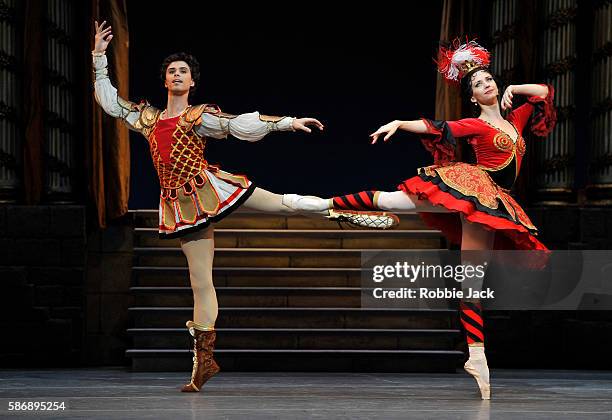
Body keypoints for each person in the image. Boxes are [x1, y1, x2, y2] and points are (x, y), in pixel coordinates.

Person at [91, 20, 398, 393]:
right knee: (200, 282)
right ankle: (204, 362)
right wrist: (99, 56)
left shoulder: (198, 115)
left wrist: (286, 123)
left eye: (182, 71)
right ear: (164, 80)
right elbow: (111, 103)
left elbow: (239, 125)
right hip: (183, 205)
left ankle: (340, 211)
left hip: (213, 187)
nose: (176, 74)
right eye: (171, 70)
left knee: (285, 204)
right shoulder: (149, 119)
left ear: (192, 82)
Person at [292, 39, 556, 400]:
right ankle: (321, 204)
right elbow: (438, 127)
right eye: (479, 85)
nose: (488, 85)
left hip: (494, 200)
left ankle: (476, 357)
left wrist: (515, 87)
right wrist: (400, 123)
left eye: (490, 80)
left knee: (471, 283)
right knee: (393, 200)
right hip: (475, 188)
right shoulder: (474, 124)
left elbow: (542, 93)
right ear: (473, 98)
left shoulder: (516, 120)